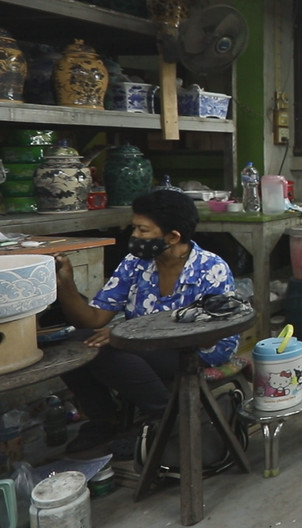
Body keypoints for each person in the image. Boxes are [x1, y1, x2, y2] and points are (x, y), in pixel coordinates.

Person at [56, 190, 239, 455]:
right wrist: (66, 284)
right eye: (134, 228)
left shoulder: (210, 268)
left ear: (173, 236)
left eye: (143, 230)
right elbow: (93, 319)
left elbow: (209, 333)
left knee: (111, 352)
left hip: (199, 349)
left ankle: (166, 420)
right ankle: (104, 420)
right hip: (143, 346)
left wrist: (126, 334)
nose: (135, 236)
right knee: (74, 344)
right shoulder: (136, 263)